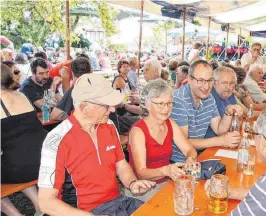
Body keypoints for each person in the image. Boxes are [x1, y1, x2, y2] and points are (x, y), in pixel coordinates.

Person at [38, 74, 156, 215]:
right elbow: (46, 202)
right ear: (84, 107)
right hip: (81, 211)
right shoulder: (57, 140)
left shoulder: (108, 125)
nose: (112, 109)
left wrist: (132, 183)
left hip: (116, 203)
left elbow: (121, 164)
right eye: (106, 105)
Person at [127, 79, 197, 201]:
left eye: (169, 103)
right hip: (143, 188)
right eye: (160, 104)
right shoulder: (138, 131)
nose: (166, 109)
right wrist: (166, 170)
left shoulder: (170, 124)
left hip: (165, 182)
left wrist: (189, 159)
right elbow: (141, 172)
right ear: (147, 104)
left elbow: (190, 149)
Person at [170, 60, 242, 162]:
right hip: (180, 162)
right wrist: (220, 141)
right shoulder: (179, 100)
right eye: (201, 80)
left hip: (200, 156)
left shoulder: (209, 97)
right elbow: (184, 142)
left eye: (209, 81)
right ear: (189, 79)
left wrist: (227, 113)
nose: (206, 86)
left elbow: (218, 129)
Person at [1, 64, 47, 216]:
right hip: (44, 159)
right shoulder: (21, 95)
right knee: (17, 156)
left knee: (15, 160)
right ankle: (39, 206)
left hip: (22, 167)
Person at [50, 57, 92, 121]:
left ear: (72, 72)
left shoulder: (74, 90)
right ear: (91, 70)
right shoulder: (98, 86)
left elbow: (53, 116)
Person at [205, 66, 243, 138]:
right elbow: (220, 131)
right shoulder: (209, 98)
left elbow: (237, 120)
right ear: (214, 83)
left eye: (232, 83)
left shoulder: (230, 96)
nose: (228, 87)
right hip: (210, 144)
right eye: (224, 83)